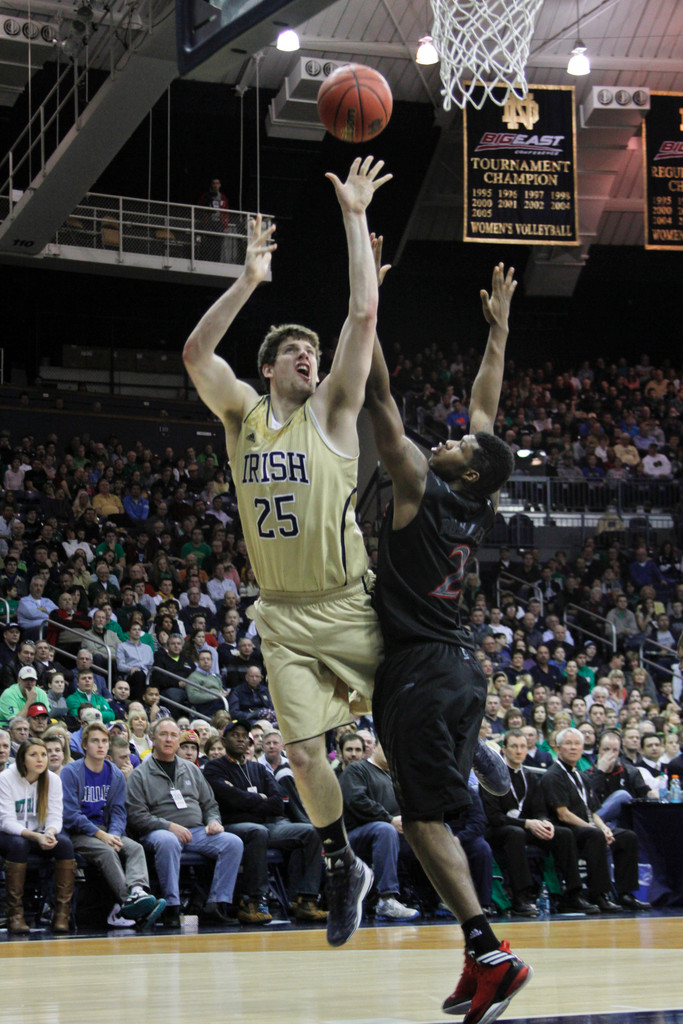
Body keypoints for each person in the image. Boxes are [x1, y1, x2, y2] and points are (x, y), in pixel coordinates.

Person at [183, 156, 391, 948]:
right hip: (281, 615)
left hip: (347, 603)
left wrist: (353, 218)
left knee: (404, 729)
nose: (309, 356)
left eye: (313, 349)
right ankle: (341, 865)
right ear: (268, 367)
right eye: (295, 350)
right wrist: (247, 281)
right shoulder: (242, 416)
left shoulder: (332, 409)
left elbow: (362, 316)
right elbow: (196, 355)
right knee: (303, 757)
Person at [364, 255, 530, 1022]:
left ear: (465, 475)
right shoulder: (477, 498)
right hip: (461, 669)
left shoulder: (418, 487)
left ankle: (490, 954)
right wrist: (497, 332)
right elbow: (484, 410)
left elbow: (379, 398)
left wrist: (365, 308)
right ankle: (476, 955)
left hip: (422, 670)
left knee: (421, 818)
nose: (450, 440)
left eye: (459, 447)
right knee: (430, 812)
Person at [204, 719, 327, 924]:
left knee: (311, 832)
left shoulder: (259, 769)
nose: (241, 740)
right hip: (233, 827)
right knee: (257, 831)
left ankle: (305, 899)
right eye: (235, 735)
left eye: (244, 736)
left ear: (250, 742)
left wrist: (245, 799)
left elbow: (278, 803)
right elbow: (228, 799)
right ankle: (253, 901)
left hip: (267, 826)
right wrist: (259, 799)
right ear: (224, 741)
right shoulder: (214, 768)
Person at [125, 717, 244, 927]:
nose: (169, 740)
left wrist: (213, 821)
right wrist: (169, 826)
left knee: (233, 842)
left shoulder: (191, 769)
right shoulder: (140, 774)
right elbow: (136, 816)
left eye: (173, 735)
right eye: (163, 735)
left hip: (197, 832)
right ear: (153, 738)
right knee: (168, 841)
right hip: (159, 832)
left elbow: (209, 804)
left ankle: (216, 904)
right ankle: (171, 907)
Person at [61, 721, 166, 928]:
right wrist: (102, 836)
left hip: (108, 830)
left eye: (104, 741)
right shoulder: (71, 772)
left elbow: (119, 810)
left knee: (135, 848)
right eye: (95, 741)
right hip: (79, 832)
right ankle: (127, 901)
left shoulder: (115, 774)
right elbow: (70, 815)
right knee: (107, 852)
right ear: (84, 745)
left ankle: (138, 891)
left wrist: (115, 834)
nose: (100, 745)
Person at [481, 729, 599, 915]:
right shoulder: (491, 778)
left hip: (525, 827)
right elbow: (494, 817)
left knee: (563, 833)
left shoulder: (530, 776)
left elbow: (540, 810)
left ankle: (573, 894)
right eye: (514, 746)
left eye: (523, 747)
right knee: (515, 833)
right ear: (504, 750)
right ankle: (521, 897)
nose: (519, 751)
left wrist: (544, 822)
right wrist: (528, 823)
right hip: (498, 830)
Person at [540, 727, 650, 912]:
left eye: (577, 744)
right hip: (566, 830)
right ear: (558, 748)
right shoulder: (553, 775)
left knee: (627, 837)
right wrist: (595, 829)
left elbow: (594, 811)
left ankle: (625, 894)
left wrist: (603, 827)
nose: (573, 748)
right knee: (595, 836)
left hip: (587, 827)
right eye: (568, 744)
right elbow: (563, 813)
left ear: (582, 748)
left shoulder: (580, 775)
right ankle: (599, 895)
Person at [339, 739, 420, 921]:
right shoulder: (357, 769)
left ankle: (440, 898)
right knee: (385, 830)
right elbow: (356, 801)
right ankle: (386, 900)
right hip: (354, 836)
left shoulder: (397, 777)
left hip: (390, 834)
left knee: (433, 833)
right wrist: (389, 819)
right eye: (387, 747)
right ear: (375, 747)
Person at [0, 737, 76, 932]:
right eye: (33, 755)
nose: (40, 759)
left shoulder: (53, 780)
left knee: (65, 844)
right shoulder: (6, 778)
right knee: (19, 844)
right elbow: (6, 822)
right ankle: (15, 915)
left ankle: (61, 915)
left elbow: (55, 816)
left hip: (40, 834)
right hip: (8, 835)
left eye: (43, 754)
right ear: (22, 759)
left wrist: (49, 833)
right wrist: (36, 837)